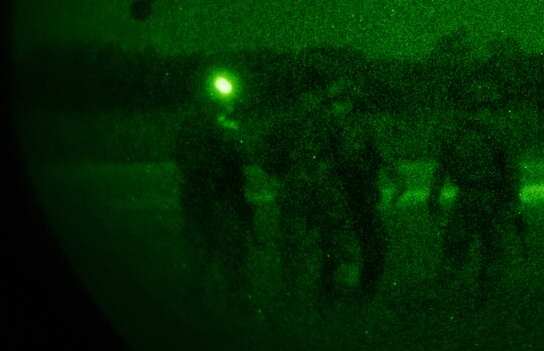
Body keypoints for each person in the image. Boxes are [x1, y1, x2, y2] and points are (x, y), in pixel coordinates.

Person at [276, 74, 405, 302]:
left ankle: (361, 292)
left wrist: (396, 179)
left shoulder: (362, 126)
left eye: (342, 100)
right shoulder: (323, 127)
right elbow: (307, 162)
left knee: (372, 245)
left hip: (359, 196)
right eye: (335, 100)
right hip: (335, 197)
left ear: (351, 101)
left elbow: (381, 155)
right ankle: (331, 292)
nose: (338, 105)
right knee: (335, 249)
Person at [426, 79, 526, 307]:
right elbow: (511, 172)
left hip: (467, 198)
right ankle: (485, 298)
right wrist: (513, 202)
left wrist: (433, 198)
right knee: (491, 249)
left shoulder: (456, 134)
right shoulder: (500, 133)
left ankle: (442, 295)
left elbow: (440, 169)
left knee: (456, 248)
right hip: (491, 199)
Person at [174, 69, 256, 309]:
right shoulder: (212, 125)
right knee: (223, 252)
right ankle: (226, 298)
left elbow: (239, 155)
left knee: (209, 252)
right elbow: (238, 154)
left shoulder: (203, 124)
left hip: (210, 196)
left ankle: (205, 297)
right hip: (214, 198)